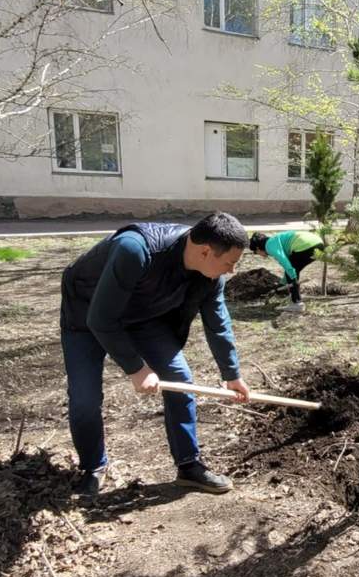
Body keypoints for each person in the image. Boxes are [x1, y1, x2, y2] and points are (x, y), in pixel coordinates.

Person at [60, 212, 251, 497]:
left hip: (142, 316)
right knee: (85, 398)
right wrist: (136, 368)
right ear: (206, 251)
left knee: (180, 379)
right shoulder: (135, 249)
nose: (232, 271)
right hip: (86, 313)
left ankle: (188, 466)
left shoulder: (209, 275)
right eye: (230, 263)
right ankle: (92, 468)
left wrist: (231, 374)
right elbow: (100, 319)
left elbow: (217, 321)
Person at [248, 231, 324, 313]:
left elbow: (285, 263)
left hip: (306, 246)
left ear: (258, 248)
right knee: (293, 269)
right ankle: (294, 298)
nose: (259, 255)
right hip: (318, 243)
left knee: (291, 272)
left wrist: (293, 278)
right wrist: (282, 283)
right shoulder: (274, 240)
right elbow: (290, 265)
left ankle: (297, 303)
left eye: (255, 253)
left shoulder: (269, 246)